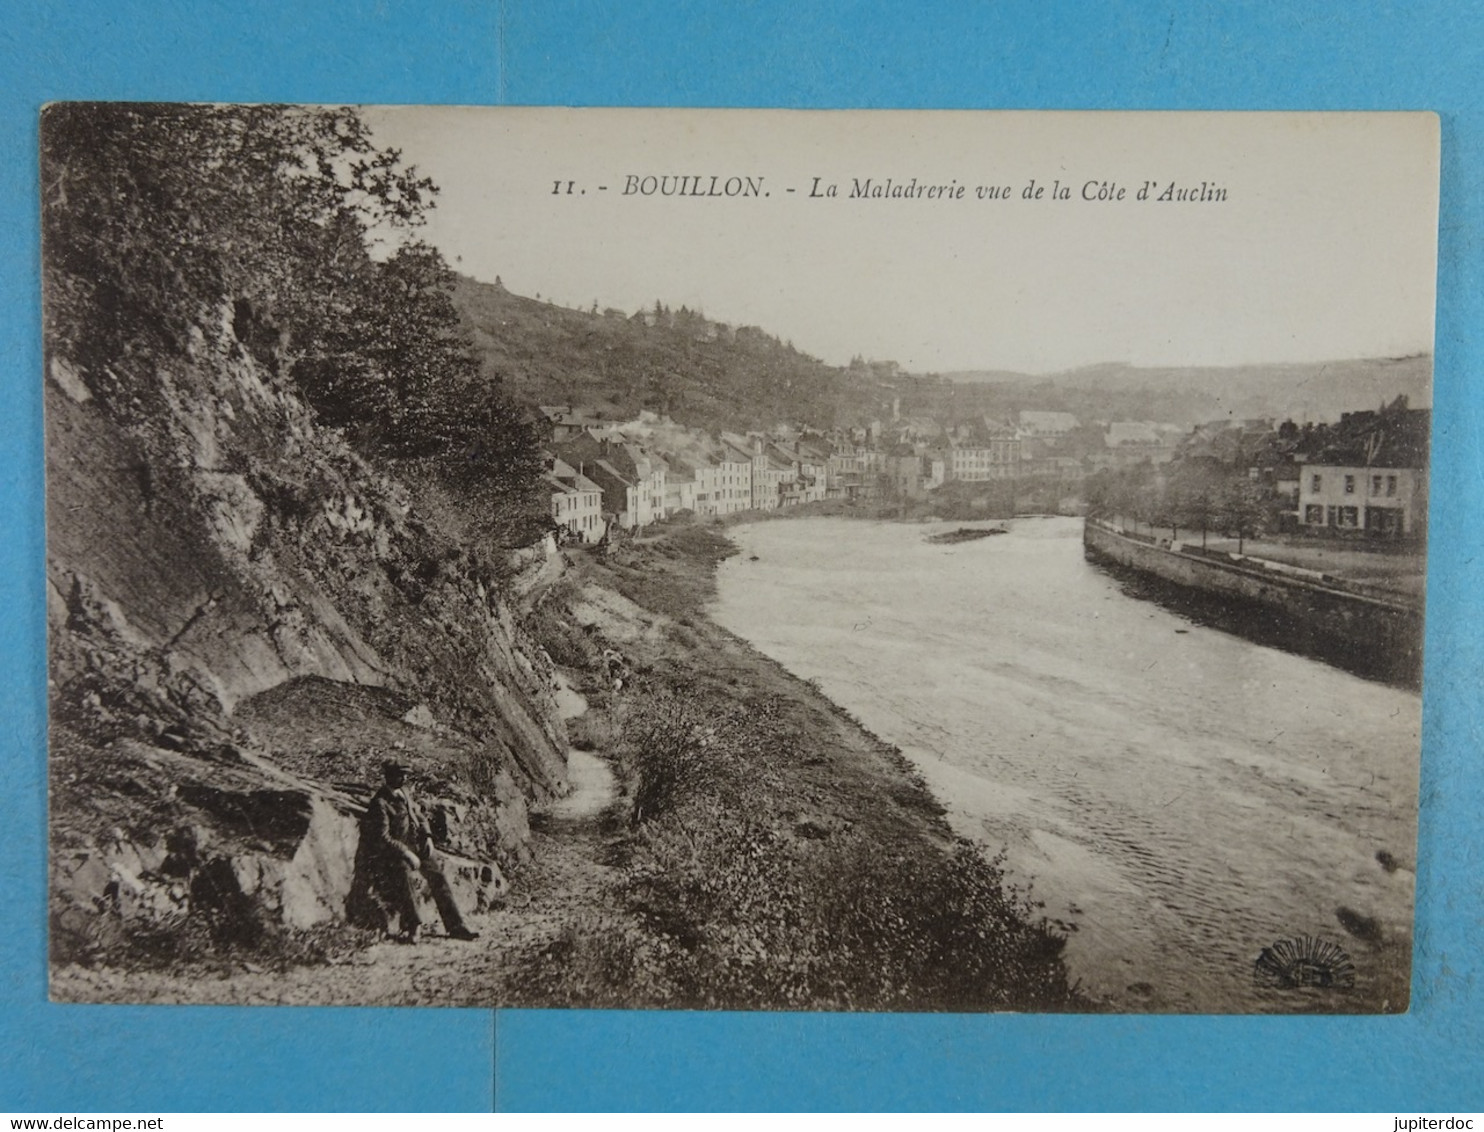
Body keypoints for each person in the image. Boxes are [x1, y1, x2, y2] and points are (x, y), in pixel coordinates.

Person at [358, 760, 480, 943]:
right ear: (389, 776)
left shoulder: (405, 793)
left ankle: (456, 926)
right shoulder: (380, 803)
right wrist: (406, 853)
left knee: (438, 876)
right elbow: (383, 837)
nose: (404, 778)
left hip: (417, 846)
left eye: (405, 774)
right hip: (395, 852)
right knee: (403, 876)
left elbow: (419, 816)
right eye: (400, 775)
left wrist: (428, 837)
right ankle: (413, 927)